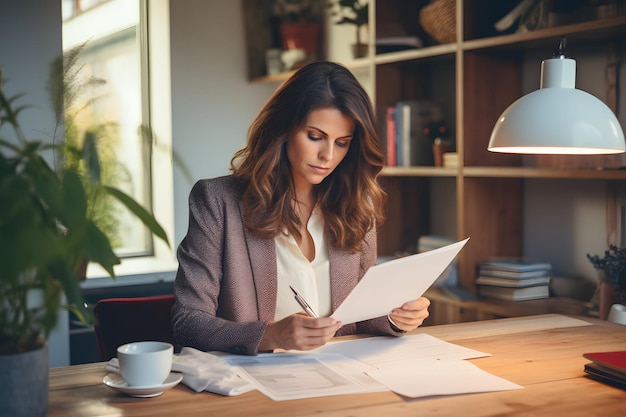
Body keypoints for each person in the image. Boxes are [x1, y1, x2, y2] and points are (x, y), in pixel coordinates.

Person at [172, 61, 430, 355]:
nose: (328, 156)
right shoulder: (218, 201)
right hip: (253, 384)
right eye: (315, 137)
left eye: (342, 143)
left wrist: (395, 317)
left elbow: (357, 317)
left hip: (338, 375)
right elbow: (188, 323)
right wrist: (270, 335)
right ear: (283, 128)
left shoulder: (357, 205)